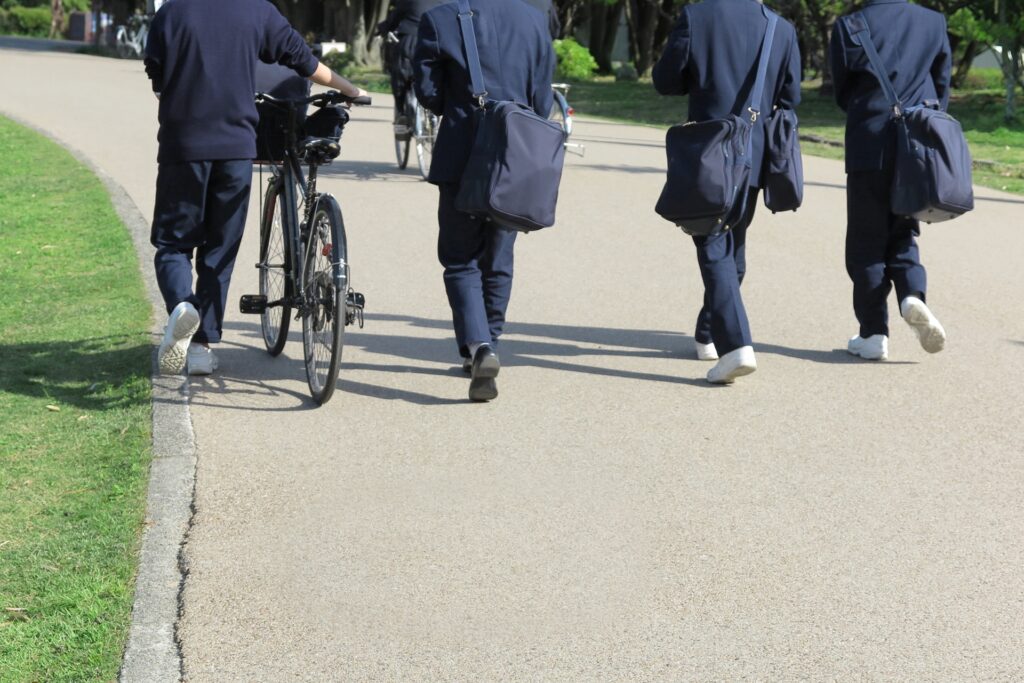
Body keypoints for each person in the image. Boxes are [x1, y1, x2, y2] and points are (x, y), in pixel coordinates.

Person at [144, 0, 366, 376]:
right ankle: (200, 347)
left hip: (184, 146)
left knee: (173, 244)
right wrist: (351, 89)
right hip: (236, 149)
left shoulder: (172, 12)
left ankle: (184, 308)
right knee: (220, 249)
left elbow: (158, 77)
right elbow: (304, 62)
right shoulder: (257, 10)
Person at [652, 0, 801, 384]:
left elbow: (666, 80)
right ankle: (708, 334)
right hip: (754, 154)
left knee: (713, 244)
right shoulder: (780, 28)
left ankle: (736, 346)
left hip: (709, 151)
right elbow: (791, 96)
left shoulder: (697, 16)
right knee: (731, 244)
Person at [413, 0, 555, 401]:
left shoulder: (439, 19)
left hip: (461, 151)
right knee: (500, 255)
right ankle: (490, 340)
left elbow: (427, 92)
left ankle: (478, 346)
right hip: (516, 154)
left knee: (460, 259)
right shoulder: (534, 19)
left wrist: (460, 107)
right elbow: (542, 99)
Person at [831, 0, 949, 361]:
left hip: (869, 141)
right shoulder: (933, 22)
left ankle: (873, 334)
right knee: (903, 230)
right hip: (917, 143)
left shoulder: (850, 25)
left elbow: (842, 91)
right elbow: (942, 85)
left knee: (866, 242)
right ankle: (912, 294)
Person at [377, 0, 449, 127]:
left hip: (412, 40)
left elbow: (395, 18)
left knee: (400, 75)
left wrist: (383, 28)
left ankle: (401, 113)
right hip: (441, 42)